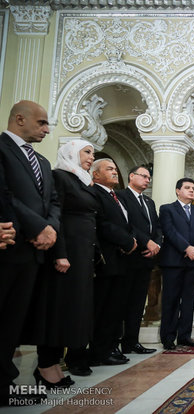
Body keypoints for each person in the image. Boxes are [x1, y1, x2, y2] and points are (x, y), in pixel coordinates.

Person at [0, 100, 60, 406]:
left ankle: (5, 383)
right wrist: (37, 226)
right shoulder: (2, 149)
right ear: (19, 119)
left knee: (14, 321)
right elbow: (6, 196)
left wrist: (49, 228)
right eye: (42, 123)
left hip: (35, 253)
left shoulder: (43, 162)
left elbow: (52, 201)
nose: (47, 130)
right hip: (9, 247)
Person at [25, 140, 99, 385]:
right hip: (65, 255)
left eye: (93, 153)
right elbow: (56, 217)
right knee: (56, 310)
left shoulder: (82, 180)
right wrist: (60, 253)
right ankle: (45, 365)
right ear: (70, 153)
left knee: (71, 311)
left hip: (82, 256)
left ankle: (55, 364)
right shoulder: (60, 176)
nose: (91, 157)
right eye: (87, 152)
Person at [90, 159, 137, 366]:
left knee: (115, 309)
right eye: (109, 169)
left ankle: (110, 347)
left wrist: (131, 240)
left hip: (121, 260)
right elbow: (102, 223)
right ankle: (98, 351)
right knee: (102, 308)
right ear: (95, 175)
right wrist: (126, 241)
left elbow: (127, 224)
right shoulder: (95, 193)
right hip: (105, 259)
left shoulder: (116, 196)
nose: (115, 172)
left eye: (115, 169)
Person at [159, 178, 194, 350]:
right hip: (173, 262)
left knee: (188, 301)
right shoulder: (167, 209)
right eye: (187, 188)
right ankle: (168, 337)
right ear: (177, 191)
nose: (191, 191)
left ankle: (184, 336)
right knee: (171, 300)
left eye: (193, 188)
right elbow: (169, 231)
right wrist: (187, 248)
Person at [117, 166, 162, 355]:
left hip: (147, 260)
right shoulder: (120, 196)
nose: (147, 180)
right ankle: (114, 343)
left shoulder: (149, 202)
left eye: (149, 177)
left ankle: (132, 342)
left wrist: (157, 244)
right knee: (122, 302)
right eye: (144, 176)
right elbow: (127, 225)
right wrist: (147, 242)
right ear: (131, 176)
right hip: (129, 257)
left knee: (137, 303)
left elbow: (157, 227)